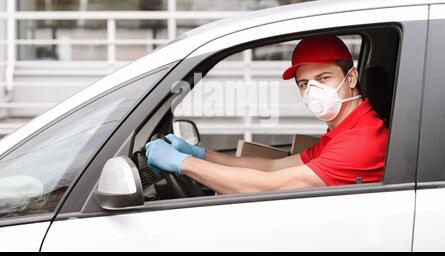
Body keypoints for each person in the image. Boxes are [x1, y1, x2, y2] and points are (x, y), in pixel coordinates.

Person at [145, 35, 389, 194]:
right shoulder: (343, 131)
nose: (313, 90)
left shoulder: (362, 139)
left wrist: (183, 164)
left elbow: (271, 186)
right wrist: (199, 154)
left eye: (323, 78)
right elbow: (273, 167)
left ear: (352, 77)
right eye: (304, 83)